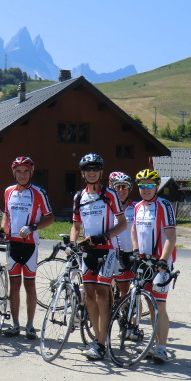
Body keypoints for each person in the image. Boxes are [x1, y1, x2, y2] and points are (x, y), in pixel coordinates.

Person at [70, 153, 126, 360]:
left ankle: (102, 342)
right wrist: (73, 243)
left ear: (100, 172)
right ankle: (97, 337)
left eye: (95, 169)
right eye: (88, 169)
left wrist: (104, 236)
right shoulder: (79, 197)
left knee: (103, 293)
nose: (91, 173)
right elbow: (75, 225)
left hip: (108, 248)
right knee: (89, 295)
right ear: (83, 173)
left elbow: (122, 223)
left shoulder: (110, 195)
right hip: (88, 250)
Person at [0, 157, 54, 340]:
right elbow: (6, 215)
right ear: (13, 173)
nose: (22, 175)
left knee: (29, 284)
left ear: (31, 173)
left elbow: (50, 218)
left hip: (30, 245)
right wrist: (2, 230)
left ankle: (30, 325)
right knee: (14, 284)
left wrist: (33, 227)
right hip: (12, 244)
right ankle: (15, 324)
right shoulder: (8, 191)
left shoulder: (39, 193)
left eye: (26, 171)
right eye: (19, 171)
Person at [131, 168, 177, 364]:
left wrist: (162, 261)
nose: (145, 189)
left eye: (149, 185)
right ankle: (154, 342)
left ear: (157, 187)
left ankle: (162, 347)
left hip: (160, 262)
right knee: (150, 305)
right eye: (142, 185)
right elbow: (134, 229)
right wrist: (135, 251)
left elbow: (171, 236)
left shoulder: (164, 205)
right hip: (144, 261)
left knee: (160, 305)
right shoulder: (138, 206)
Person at [109, 171, 136, 299]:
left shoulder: (136, 208)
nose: (121, 190)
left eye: (124, 186)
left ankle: (126, 315)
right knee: (108, 287)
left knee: (126, 291)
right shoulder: (108, 208)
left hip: (130, 253)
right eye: (117, 187)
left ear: (130, 189)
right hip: (113, 253)